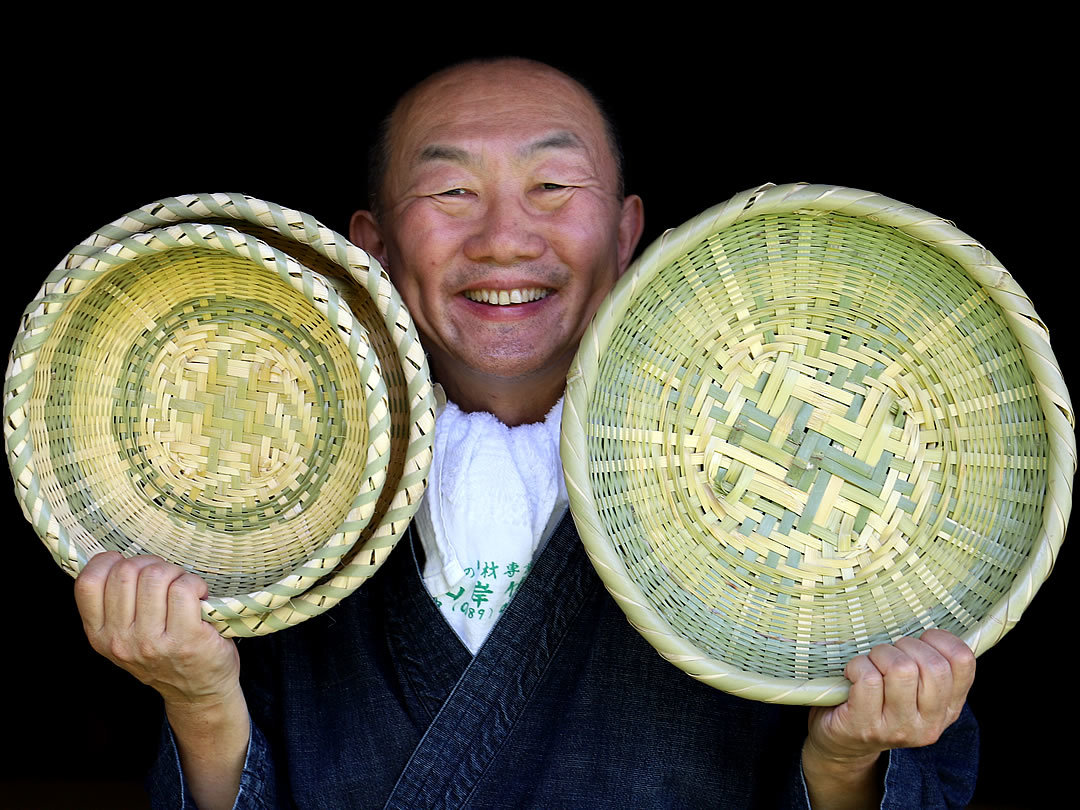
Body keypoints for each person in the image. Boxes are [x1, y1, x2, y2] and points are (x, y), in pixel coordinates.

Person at [73, 57, 978, 810]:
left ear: (627, 235)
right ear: (373, 246)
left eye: (552, 185)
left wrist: (846, 763)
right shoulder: (271, 521)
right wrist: (199, 699)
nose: (505, 237)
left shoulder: (797, 521)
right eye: (452, 190)